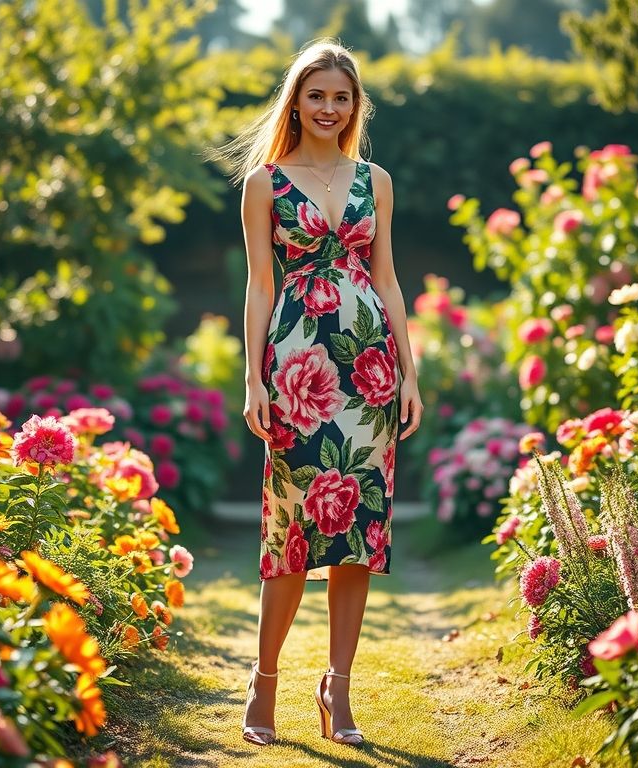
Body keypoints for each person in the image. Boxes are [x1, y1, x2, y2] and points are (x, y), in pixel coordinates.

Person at [214, 38, 423, 747]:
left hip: (369, 374)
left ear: (354, 105)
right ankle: (264, 680)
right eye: (317, 95)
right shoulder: (264, 184)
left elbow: (388, 279)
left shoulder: (377, 180)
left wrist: (411, 372)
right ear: (296, 101)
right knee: (292, 533)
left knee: (359, 535)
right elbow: (259, 288)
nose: (329, 108)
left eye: (341, 97)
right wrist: (253, 380)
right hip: (296, 371)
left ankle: (338, 691)